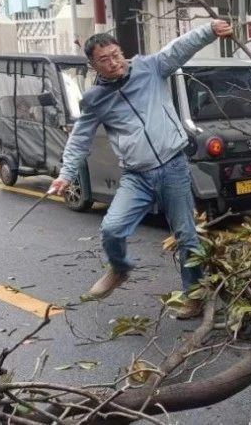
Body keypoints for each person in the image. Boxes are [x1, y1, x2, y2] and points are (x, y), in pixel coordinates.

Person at [49, 20, 234, 319]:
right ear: (93, 65)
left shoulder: (150, 68)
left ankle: (194, 296)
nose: (113, 63)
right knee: (111, 228)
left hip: (173, 166)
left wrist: (209, 30)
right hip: (137, 176)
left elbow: (179, 48)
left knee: (187, 236)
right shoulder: (95, 99)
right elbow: (79, 139)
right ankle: (120, 269)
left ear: (122, 52)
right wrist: (66, 175)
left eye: (116, 54)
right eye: (104, 60)